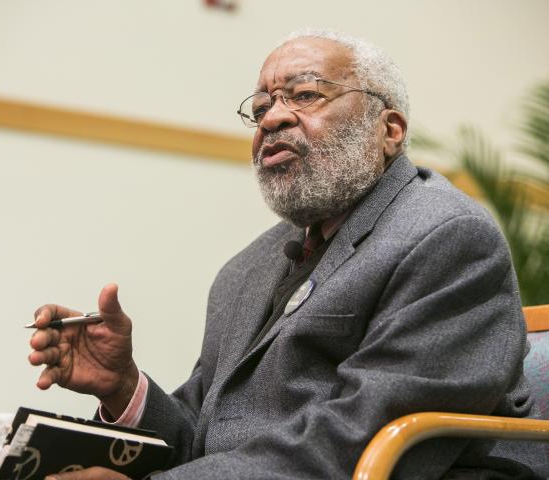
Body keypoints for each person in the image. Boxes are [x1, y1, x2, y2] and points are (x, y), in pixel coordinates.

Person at [28, 29, 535, 479]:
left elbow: (363, 442)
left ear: (390, 129)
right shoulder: (247, 268)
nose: (272, 118)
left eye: (305, 94)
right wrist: (123, 386)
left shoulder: (446, 237)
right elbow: (203, 441)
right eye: (261, 107)